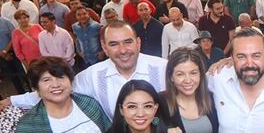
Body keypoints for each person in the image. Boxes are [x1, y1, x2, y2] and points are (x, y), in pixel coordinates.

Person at [12, 21, 168, 118]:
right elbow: (57, 91)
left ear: (138, 43)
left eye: (128, 42)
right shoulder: (92, 76)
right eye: (114, 44)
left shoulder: (162, 68)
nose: (123, 50)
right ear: (104, 48)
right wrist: (12, 100)